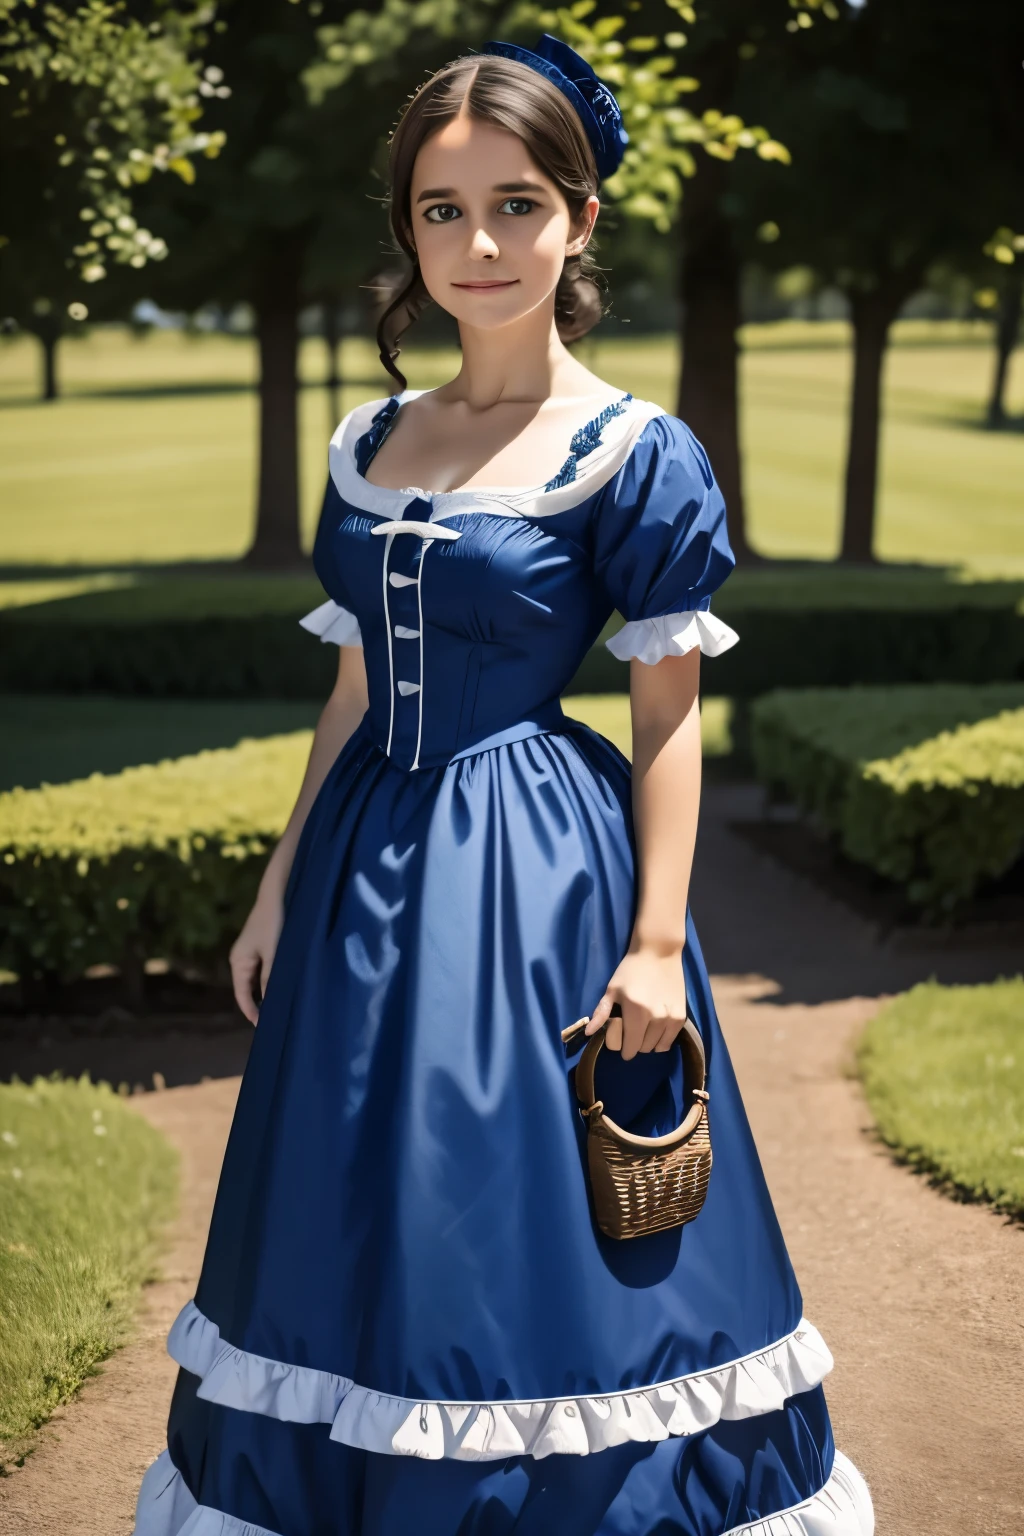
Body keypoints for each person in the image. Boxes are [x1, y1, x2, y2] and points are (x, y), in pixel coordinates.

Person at [132, 36, 873, 1536]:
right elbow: (351, 686)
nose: (479, 243)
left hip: (535, 870)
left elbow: (668, 715)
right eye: (441, 209)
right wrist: (278, 883)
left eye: (516, 203)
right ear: (406, 231)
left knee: (520, 1207)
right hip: (360, 868)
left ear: (581, 219)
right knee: (345, 1190)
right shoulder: (369, 440)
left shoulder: (632, 451)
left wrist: (657, 944)